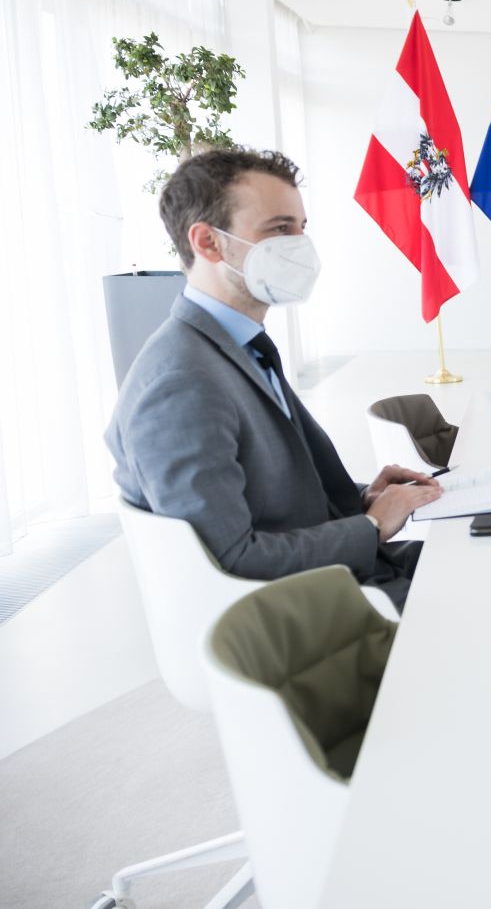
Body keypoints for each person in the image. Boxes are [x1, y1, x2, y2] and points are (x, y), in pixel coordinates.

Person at [106, 148, 440, 610]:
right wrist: (370, 527)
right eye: (280, 229)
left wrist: (366, 498)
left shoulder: (236, 346)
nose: (300, 247)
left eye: (302, 228)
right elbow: (230, 559)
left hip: (350, 575)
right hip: (320, 611)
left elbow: (269, 501)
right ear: (208, 242)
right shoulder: (181, 381)